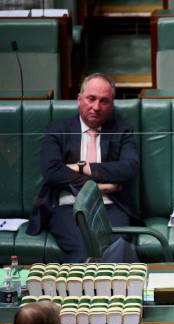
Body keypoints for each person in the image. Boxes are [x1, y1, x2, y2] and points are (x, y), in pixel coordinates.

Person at [26, 73, 139, 262]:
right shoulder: (58, 129)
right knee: (83, 252)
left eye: (104, 101)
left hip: (110, 206)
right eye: (91, 99)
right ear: (79, 100)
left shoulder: (122, 130)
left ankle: (116, 292)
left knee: (116, 251)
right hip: (68, 206)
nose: (96, 107)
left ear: (111, 104)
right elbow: (52, 171)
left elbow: (129, 168)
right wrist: (98, 187)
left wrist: (82, 166)